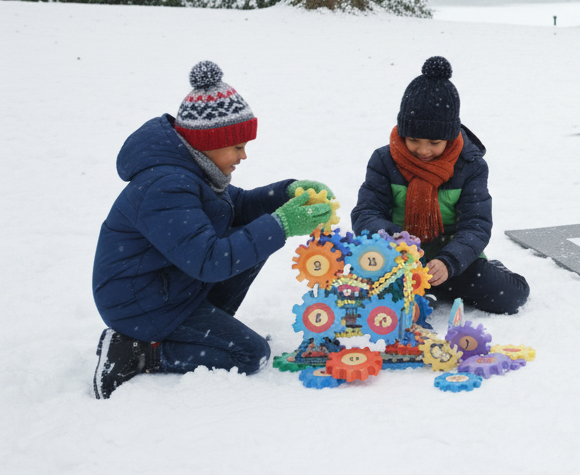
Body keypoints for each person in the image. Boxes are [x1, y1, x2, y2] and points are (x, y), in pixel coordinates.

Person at [91, 61, 336, 399]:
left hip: (167, 285)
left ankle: (204, 326)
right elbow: (210, 261)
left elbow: (240, 207)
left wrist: (287, 191)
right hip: (138, 303)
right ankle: (138, 351)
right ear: (208, 142)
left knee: (252, 230)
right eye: (237, 146)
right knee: (249, 355)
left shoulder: (194, 171)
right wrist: (283, 223)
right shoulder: (167, 186)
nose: (244, 155)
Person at [352, 56, 529, 314]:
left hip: (451, 260)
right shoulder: (383, 160)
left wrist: (449, 262)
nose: (423, 150)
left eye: (434, 143)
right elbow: (366, 214)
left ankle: (438, 285)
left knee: (511, 296)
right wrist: (398, 242)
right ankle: (421, 289)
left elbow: (476, 225)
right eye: (413, 139)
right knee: (355, 295)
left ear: (449, 136)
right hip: (396, 261)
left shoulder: (470, 165)